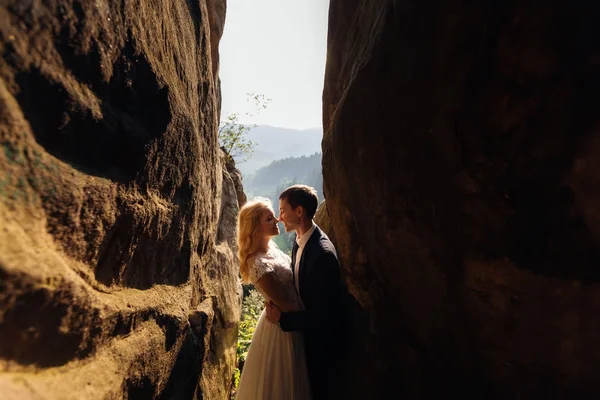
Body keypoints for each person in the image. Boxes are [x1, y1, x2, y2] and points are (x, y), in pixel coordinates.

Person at [266, 185, 353, 400]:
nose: (280, 217)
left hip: (324, 348)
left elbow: (322, 317)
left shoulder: (321, 253)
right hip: (307, 342)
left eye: (283, 210)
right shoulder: (299, 240)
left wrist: (282, 319)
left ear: (299, 211)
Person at [235, 198, 311, 400]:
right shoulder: (257, 262)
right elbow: (287, 305)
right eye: (269, 218)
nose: (277, 219)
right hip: (282, 329)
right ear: (255, 228)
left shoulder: (273, 250)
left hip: (290, 322)